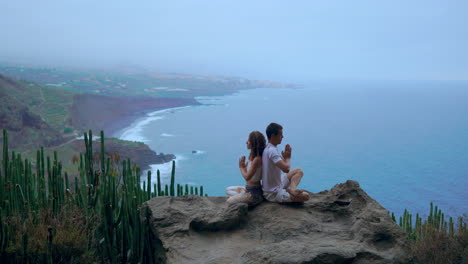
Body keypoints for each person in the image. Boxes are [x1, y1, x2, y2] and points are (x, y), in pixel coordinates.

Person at [262, 122, 310, 203]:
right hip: (273, 193)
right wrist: (288, 159)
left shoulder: (268, 148)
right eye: (280, 135)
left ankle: (292, 189)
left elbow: (281, 165)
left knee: (299, 171)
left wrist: (284, 159)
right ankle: (289, 191)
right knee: (306, 196)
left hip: (277, 184)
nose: (282, 137)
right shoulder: (272, 151)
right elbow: (286, 169)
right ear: (273, 135)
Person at [226, 131, 266, 205]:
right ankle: (242, 196)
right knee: (228, 189)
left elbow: (247, 177)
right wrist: (245, 167)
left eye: (248, 141)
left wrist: (241, 168)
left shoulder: (257, 159)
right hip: (248, 188)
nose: (246, 142)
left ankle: (252, 199)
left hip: (254, 192)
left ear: (253, 143)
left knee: (229, 201)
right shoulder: (252, 157)